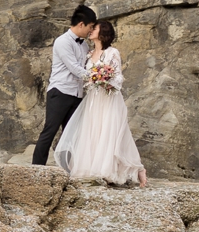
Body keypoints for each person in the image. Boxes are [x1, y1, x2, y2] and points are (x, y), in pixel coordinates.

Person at [53, 19, 147, 187]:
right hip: (93, 100)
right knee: (93, 131)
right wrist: (95, 79)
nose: (91, 31)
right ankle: (94, 169)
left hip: (109, 98)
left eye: (94, 28)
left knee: (113, 133)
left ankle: (138, 169)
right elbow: (85, 76)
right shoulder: (88, 54)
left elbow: (119, 77)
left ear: (103, 32)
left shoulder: (112, 52)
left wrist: (106, 80)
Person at [31, 5, 97, 166]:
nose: (91, 31)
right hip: (60, 92)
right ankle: (36, 168)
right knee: (50, 130)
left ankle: (67, 168)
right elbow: (74, 67)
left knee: (72, 135)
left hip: (77, 94)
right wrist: (96, 77)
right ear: (81, 24)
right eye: (90, 27)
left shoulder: (84, 45)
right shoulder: (62, 41)